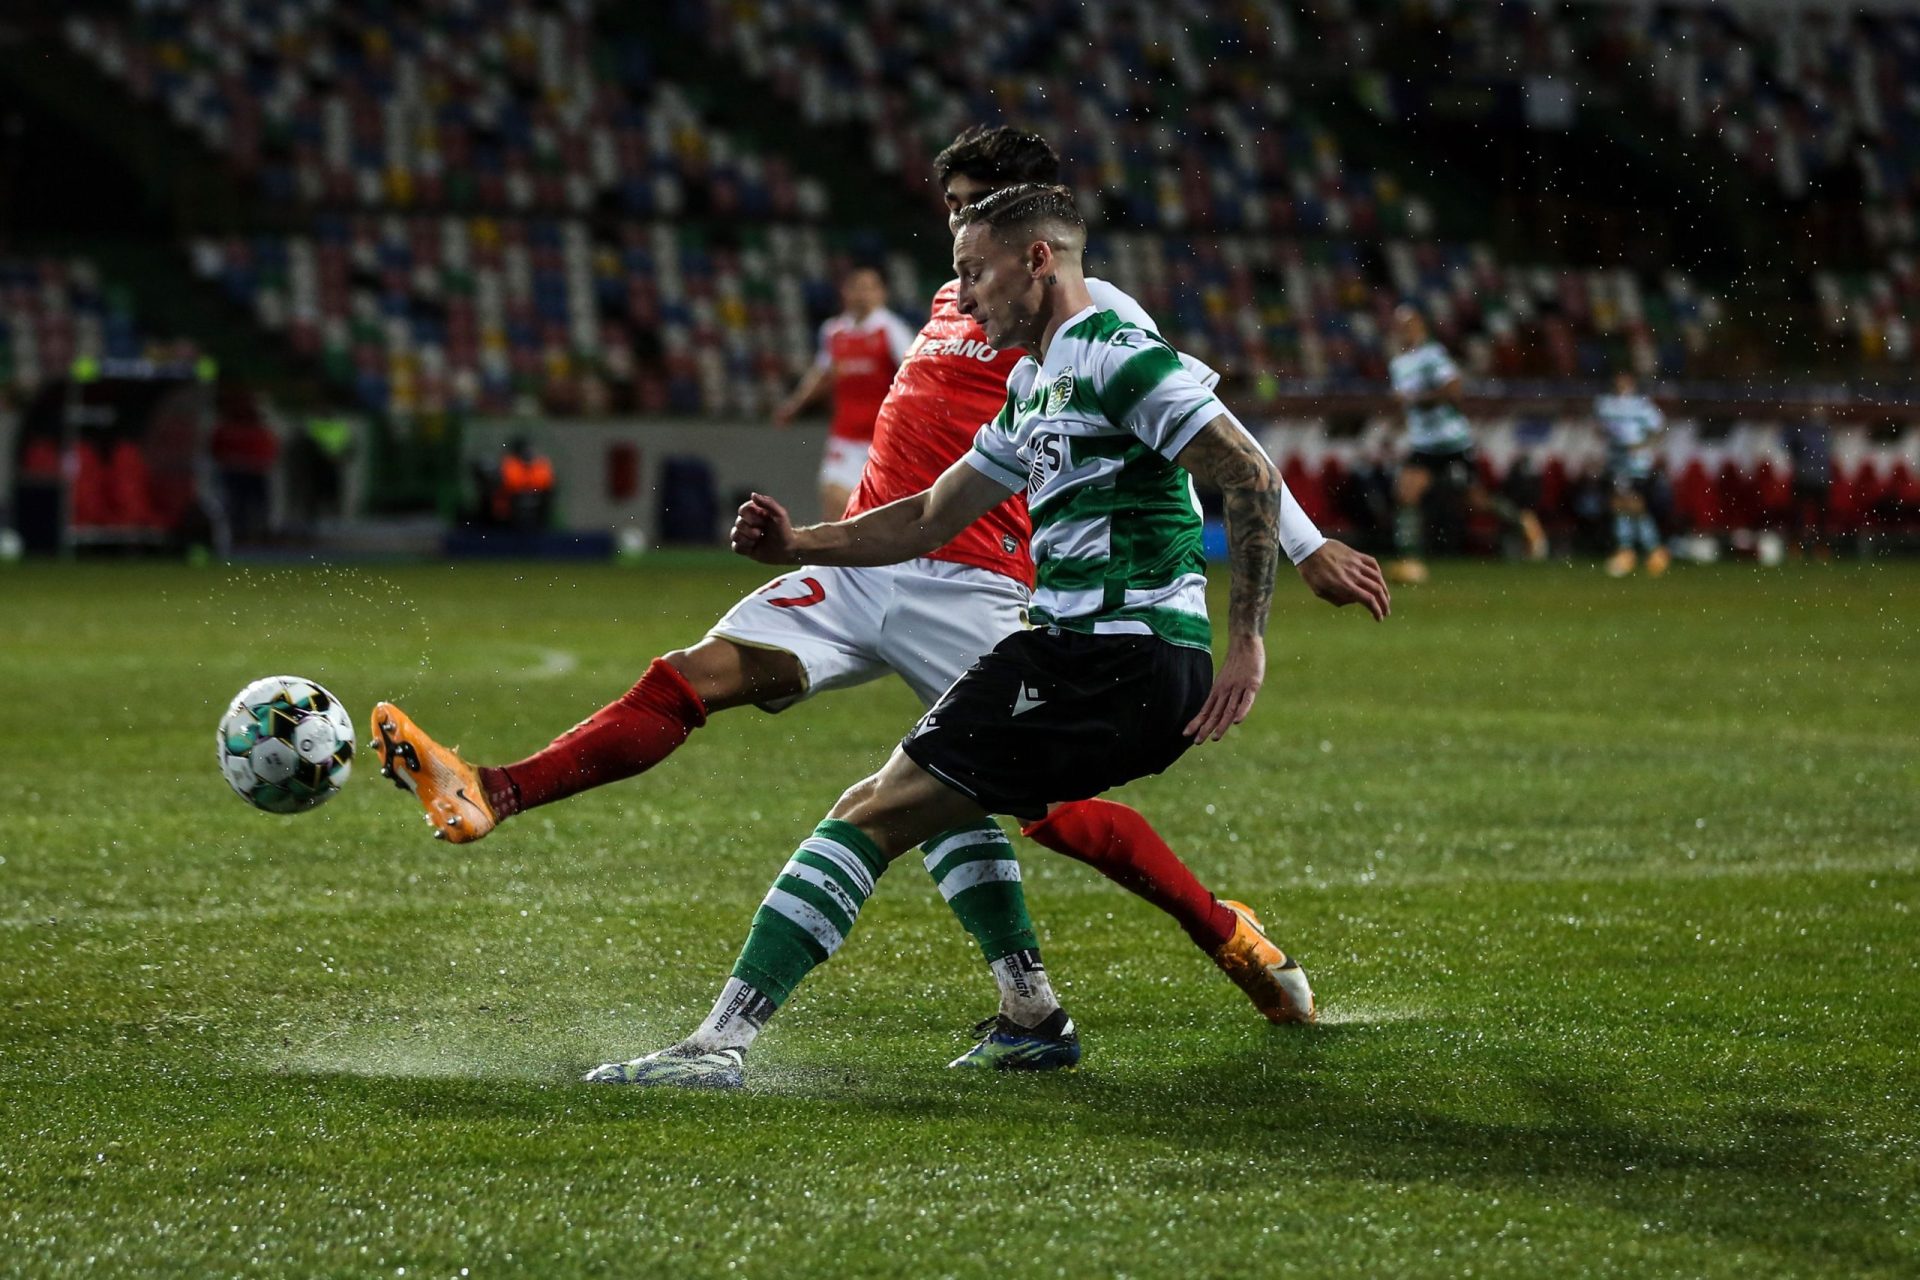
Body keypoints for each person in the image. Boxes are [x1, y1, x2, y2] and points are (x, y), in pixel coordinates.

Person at [370, 125, 1346, 1060]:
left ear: (1030, 237)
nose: (958, 245)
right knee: (693, 677)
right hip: (861, 563)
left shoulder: (1097, 319)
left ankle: (1222, 934)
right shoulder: (954, 299)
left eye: (973, 214)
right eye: (952, 215)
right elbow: (927, 486)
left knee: (1033, 807)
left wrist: (1300, 551)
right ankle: (494, 790)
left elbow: (1211, 443)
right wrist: (804, 538)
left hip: (974, 585)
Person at [581, 183, 1390, 1088]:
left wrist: (1247, 641)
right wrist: (798, 543)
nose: (962, 297)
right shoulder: (1034, 380)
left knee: (871, 812)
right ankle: (1034, 1017)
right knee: (928, 800)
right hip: (1086, 658)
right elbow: (930, 516)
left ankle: (715, 1048)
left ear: (1037, 259)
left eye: (975, 272)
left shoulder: (1116, 356)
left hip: (1113, 658)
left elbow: (1243, 472)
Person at [1385, 305, 1546, 583]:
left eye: (1410, 325)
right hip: (1424, 444)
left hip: (1451, 440)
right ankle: (1410, 561)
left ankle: (1522, 522)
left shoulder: (1432, 356)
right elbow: (1405, 405)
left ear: (1420, 327)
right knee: (1406, 493)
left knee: (1475, 500)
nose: (1405, 331)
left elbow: (1454, 390)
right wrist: (1394, 426)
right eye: (1401, 327)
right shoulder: (1398, 364)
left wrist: (1417, 400)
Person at [774, 267, 915, 520]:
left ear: (881, 293)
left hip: (883, 440)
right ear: (845, 293)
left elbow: (915, 372)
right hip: (845, 437)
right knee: (833, 501)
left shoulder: (891, 329)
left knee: (879, 515)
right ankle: (838, 561)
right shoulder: (834, 331)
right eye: (856, 287)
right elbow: (823, 373)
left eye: (869, 287)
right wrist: (794, 406)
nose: (862, 294)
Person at [1594, 372, 1669, 577]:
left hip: (1637, 464)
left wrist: (1642, 446)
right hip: (1616, 463)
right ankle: (1634, 551)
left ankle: (1648, 550)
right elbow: (1600, 429)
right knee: (1620, 505)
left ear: (1632, 382)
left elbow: (1660, 429)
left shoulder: (1642, 405)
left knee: (1634, 504)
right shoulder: (1605, 404)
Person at [1783, 412, 1833, 560]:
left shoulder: (1818, 431)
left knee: (1815, 516)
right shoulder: (1805, 431)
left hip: (1813, 477)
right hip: (1807, 477)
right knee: (1800, 515)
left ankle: (1814, 547)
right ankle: (1799, 546)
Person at [488, 436, 553, 531]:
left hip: (536, 517)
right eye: (525, 450)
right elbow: (508, 485)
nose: (528, 453)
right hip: (507, 517)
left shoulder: (540, 467)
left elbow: (547, 487)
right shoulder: (509, 466)